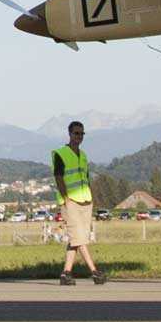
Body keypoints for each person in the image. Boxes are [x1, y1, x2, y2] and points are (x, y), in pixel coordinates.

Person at [52, 120, 105, 284]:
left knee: (77, 238)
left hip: (85, 200)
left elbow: (86, 177)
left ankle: (66, 273)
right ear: (69, 134)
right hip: (71, 201)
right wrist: (66, 197)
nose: (79, 136)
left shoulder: (83, 155)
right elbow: (59, 177)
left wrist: (91, 196)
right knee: (79, 237)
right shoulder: (61, 153)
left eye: (82, 134)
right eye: (76, 133)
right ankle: (94, 271)